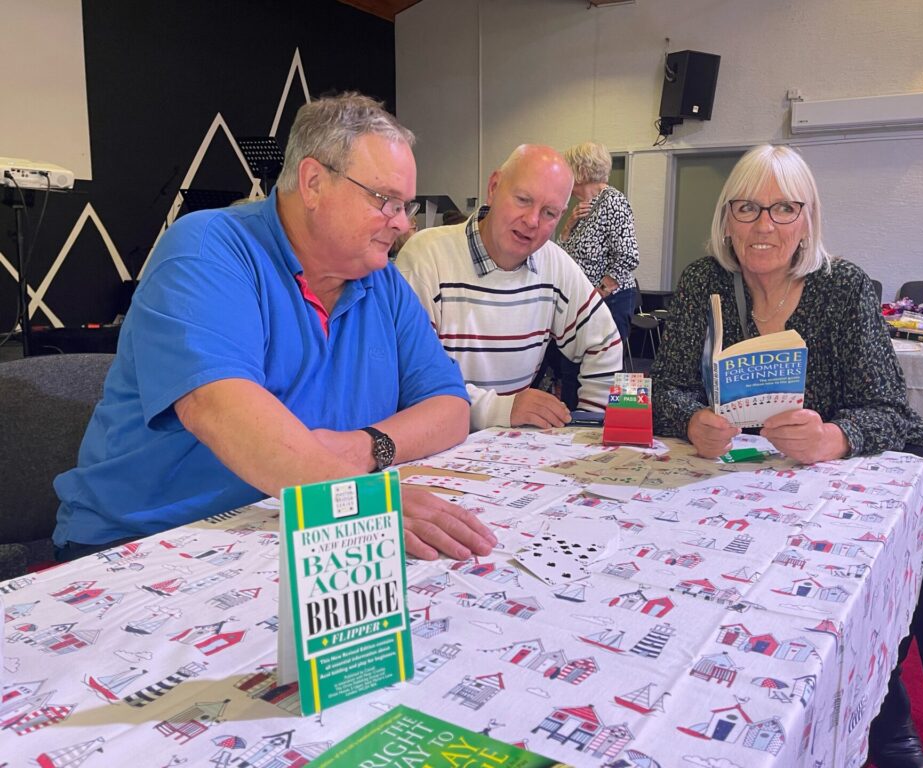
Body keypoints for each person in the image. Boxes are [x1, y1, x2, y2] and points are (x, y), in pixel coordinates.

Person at [650, 145, 923, 768]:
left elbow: (893, 410)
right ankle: (884, 719)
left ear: (808, 218)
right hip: (742, 482)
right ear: (726, 218)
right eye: (748, 208)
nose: (765, 226)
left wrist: (834, 436)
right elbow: (669, 387)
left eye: (784, 209)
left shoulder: (845, 288)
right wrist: (691, 419)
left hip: (868, 474)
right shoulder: (703, 282)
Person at [53, 92, 496, 564]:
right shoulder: (209, 248)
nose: (403, 225)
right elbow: (220, 406)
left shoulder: (382, 280)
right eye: (386, 201)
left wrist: (369, 447)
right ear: (313, 183)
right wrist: (363, 501)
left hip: (291, 526)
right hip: (149, 545)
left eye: (405, 206)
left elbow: (449, 406)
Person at [396, 144, 621, 431]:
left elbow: (605, 342)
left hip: (514, 452)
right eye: (523, 200)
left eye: (550, 213)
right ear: (493, 187)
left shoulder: (555, 264)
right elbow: (411, 377)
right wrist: (500, 409)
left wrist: (586, 425)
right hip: (439, 443)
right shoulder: (426, 256)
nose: (532, 221)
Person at [559, 141, 639, 345]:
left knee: (600, 371)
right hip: (584, 303)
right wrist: (568, 226)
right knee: (573, 371)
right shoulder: (585, 208)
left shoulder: (613, 201)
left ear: (582, 171)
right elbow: (561, 258)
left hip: (609, 301)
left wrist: (599, 293)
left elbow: (628, 255)